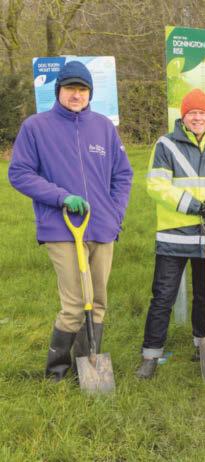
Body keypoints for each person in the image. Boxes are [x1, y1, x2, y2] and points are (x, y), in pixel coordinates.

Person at [8, 61, 133, 380]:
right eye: (70, 89)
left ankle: (86, 369)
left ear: (89, 93)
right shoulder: (36, 127)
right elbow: (19, 173)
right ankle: (57, 371)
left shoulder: (103, 126)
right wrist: (61, 197)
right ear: (58, 91)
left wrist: (114, 214)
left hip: (102, 228)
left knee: (99, 300)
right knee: (76, 304)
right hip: (61, 228)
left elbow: (123, 174)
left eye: (82, 89)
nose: (76, 95)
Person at [136, 89, 205, 378]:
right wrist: (196, 206)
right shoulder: (165, 144)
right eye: (192, 113)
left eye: (202, 113)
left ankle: (202, 344)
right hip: (174, 234)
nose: (197, 117)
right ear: (183, 116)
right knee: (163, 296)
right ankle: (151, 354)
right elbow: (157, 186)